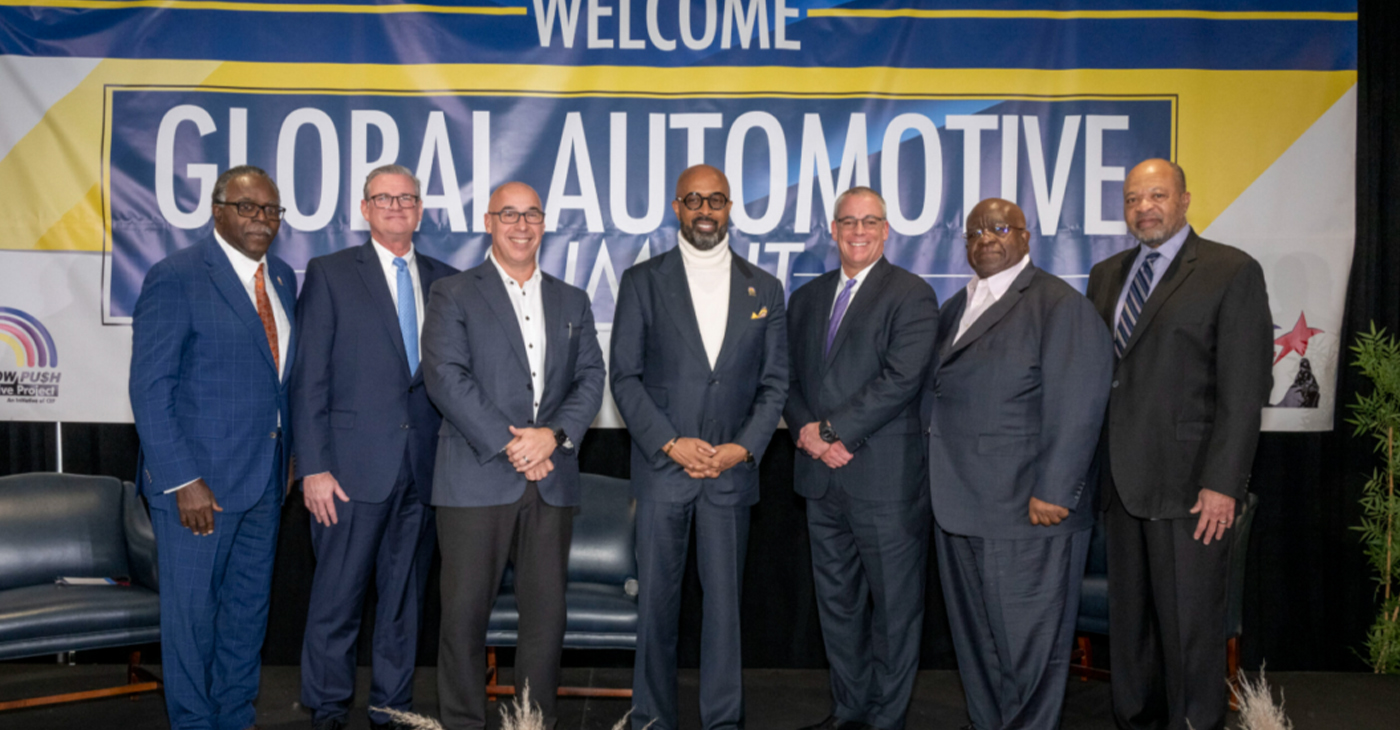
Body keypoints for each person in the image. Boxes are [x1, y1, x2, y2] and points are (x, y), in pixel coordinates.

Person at [1086, 159, 1272, 730]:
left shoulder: (1229, 270)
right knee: (1130, 630)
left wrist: (1223, 483)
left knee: (1190, 630)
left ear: (1185, 199)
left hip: (1191, 488)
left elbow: (1246, 388)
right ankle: (1137, 721)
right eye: (1133, 198)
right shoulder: (1106, 274)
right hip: (1119, 484)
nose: (1144, 207)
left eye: (1157, 195)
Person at [420, 181, 605, 730]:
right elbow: (446, 377)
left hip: (551, 480)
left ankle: (532, 722)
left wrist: (552, 435)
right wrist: (515, 444)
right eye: (509, 214)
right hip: (474, 478)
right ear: (488, 221)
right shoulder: (452, 292)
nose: (521, 225)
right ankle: (462, 723)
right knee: (463, 619)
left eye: (531, 215)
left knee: (546, 620)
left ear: (544, 223)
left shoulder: (572, 299)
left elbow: (591, 378)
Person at [610, 163, 788, 730]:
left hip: (731, 473)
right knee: (655, 609)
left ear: (730, 207)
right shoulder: (643, 281)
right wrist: (669, 442)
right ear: (677, 208)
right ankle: (651, 720)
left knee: (725, 614)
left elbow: (775, 384)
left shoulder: (766, 288)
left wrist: (743, 447)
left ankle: (723, 721)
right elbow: (624, 377)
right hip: (663, 472)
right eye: (693, 200)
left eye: (715, 200)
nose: (705, 210)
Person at [928, 197, 1112, 730]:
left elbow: (1079, 401)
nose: (986, 238)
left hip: (1027, 511)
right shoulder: (955, 307)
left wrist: (1056, 488)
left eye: (1000, 228)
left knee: (1029, 651)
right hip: (959, 507)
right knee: (979, 646)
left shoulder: (1059, 305)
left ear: (1026, 237)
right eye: (975, 232)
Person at [129, 165, 296, 730]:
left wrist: (290, 456)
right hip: (198, 488)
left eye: (271, 210)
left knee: (246, 615)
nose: (261, 219)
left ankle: (234, 717)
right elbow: (150, 388)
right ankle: (194, 722)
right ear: (217, 210)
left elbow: (280, 381)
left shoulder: (283, 280)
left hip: (265, 480)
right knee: (192, 619)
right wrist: (182, 480)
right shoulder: (176, 276)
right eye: (248, 207)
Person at [292, 164, 457, 730]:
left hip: (424, 471)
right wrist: (313, 467)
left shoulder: (446, 280)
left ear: (420, 209)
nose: (396, 206)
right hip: (347, 473)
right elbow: (308, 378)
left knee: (403, 604)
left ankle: (392, 709)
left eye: (406, 198)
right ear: (364, 209)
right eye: (384, 198)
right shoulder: (331, 273)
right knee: (336, 602)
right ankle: (328, 711)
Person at [784, 187, 938, 730]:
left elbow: (901, 378)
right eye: (848, 221)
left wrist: (833, 431)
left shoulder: (912, 294)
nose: (858, 231)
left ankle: (886, 719)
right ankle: (849, 710)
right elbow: (786, 378)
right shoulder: (807, 298)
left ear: (886, 230)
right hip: (819, 478)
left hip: (884, 481)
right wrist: (807, 434)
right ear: (833, 229)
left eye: (870, 221)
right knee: (838, 606)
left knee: (895, 610)